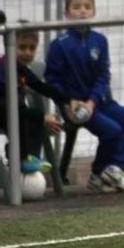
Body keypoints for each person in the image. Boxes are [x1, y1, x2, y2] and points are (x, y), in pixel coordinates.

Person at [45, 0, 124, 193]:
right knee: (112, 130)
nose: (82, 11)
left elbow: (103, 76)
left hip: (98, 103)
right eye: (77, 7)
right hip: (74, 107)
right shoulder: (59, 45)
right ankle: (97, 173)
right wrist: (68, 103)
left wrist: (92, 101)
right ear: (67, 12)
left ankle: (115, 168)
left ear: (93, 12)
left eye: (87, 7)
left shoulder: (100, 41)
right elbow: (52, 80)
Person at [0, 26, 74, 171]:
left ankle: (27, 158)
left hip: (12, 112)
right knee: (31, 117)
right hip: (4, 110)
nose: (27, 53)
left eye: (32, 48)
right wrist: (42, 117)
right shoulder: (3, 69)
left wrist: (68, 101)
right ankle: (20, 158)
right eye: (22, 47)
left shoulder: (21, 69)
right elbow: (10, 106)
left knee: (33, 119)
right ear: (10, 46)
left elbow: (40, 86)